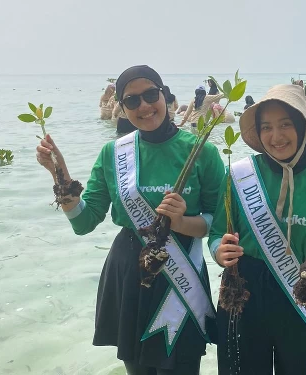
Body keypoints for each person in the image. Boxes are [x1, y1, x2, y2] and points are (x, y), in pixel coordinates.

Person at [35, 66, 223, 375]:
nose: (144, 106)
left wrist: (181, 223)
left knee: (183, 367)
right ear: (122, 108)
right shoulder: (113, 153)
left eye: (151, 95)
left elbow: (219, 223)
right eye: (132, 101)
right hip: (129, 272)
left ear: (167, 97)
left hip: (182, 270)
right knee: (137, 369)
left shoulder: (202, 152)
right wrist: (60, 175)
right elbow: (84, 222)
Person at [209, 84, 306, 375]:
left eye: (286, 124)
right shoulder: (237, 176)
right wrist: (219, 251)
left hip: (299, 293)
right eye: (266, 127)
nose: (276, 136)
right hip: (242, 293)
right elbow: (215, 235)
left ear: (303, 127)